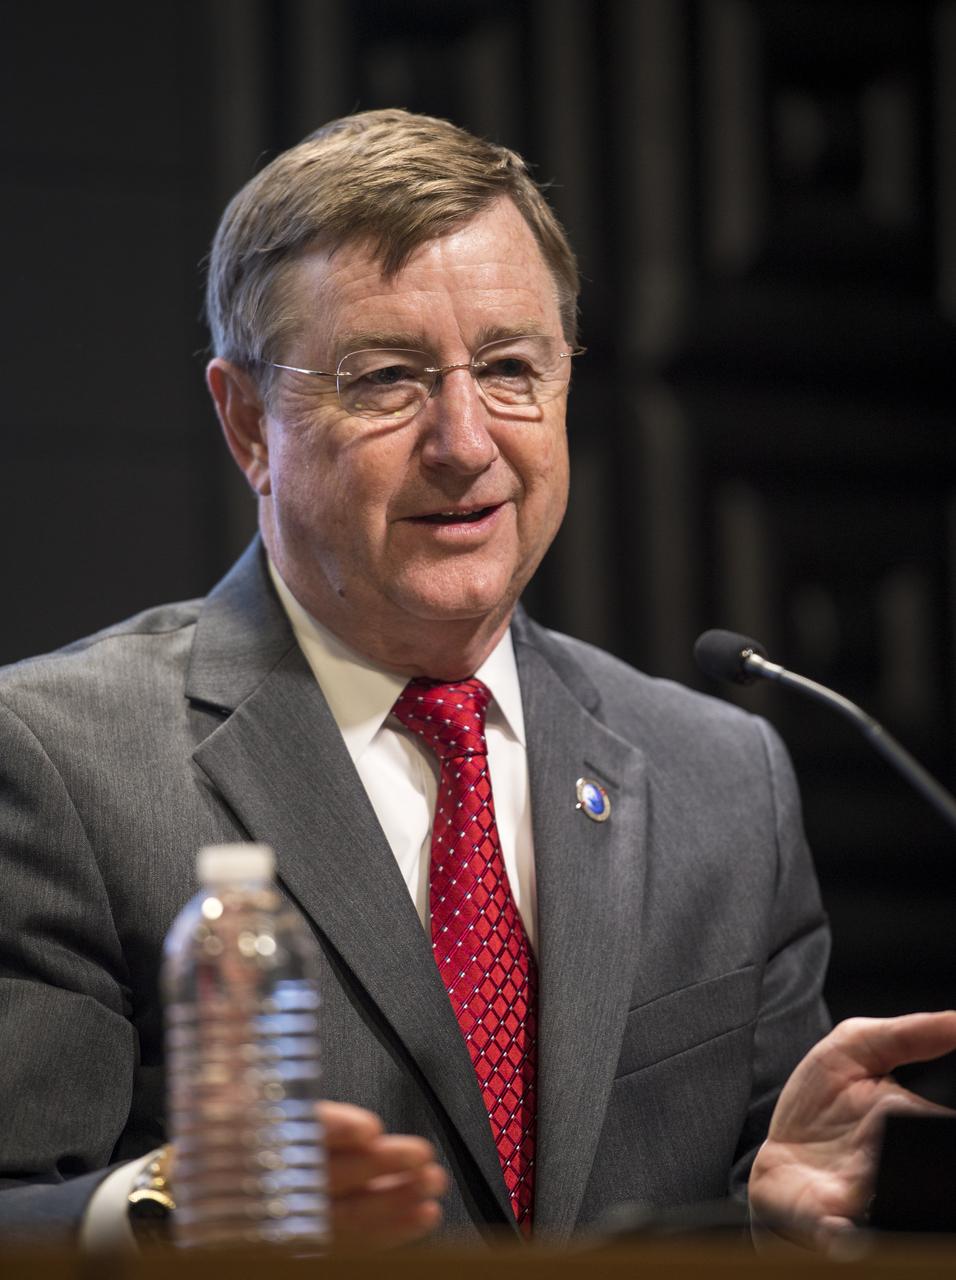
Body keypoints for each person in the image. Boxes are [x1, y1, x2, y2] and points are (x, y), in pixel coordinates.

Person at [0, 108, 953, 1251]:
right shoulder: (61, 763)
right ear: (249, 422)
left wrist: (774, 1213)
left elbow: (731, 1190)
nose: (463, 441)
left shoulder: (721, 777)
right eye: (384, 378)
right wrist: (163, 1203)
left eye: (508, 368)